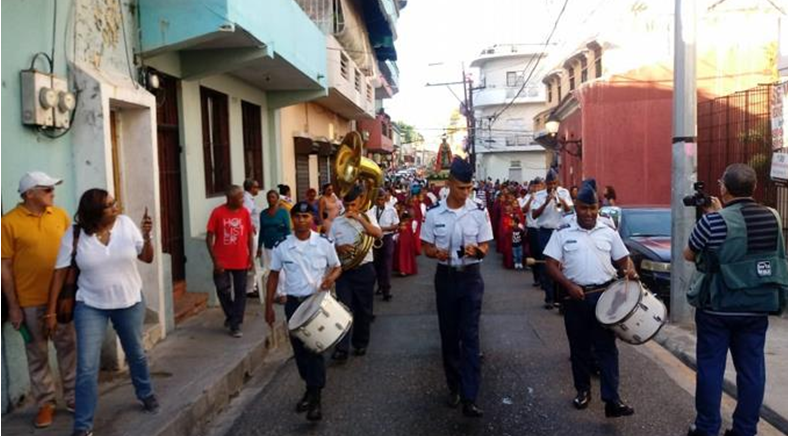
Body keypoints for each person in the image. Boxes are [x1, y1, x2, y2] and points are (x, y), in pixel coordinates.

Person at [684, 164, 787, 436]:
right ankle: (745, 430)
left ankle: (707, 427)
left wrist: (712, 217)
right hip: (757, 305)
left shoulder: (712, 221)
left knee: (710, 368)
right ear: (754, 188)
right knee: (752, 371)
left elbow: (689, 254)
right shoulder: (773, 216)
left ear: (724, 188)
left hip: (717, 307)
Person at [45, 189, 158, 436]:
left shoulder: (126, 224)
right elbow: (59, 273)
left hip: (129, 301)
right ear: (95, 213)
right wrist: (51, 312)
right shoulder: (74, 236)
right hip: (90, 305)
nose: (115, 206)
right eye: (109, 205)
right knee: (86, 367)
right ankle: (83, 426)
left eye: (114, 202)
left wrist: (147, 236)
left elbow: (147, 258)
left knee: (136, 353)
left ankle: (145, 392)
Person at [543, 179, 637, 419]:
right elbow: (550, 265)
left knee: (607, 349)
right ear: (576, 207)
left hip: (605, 298)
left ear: (599, 207)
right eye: (584, 208)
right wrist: (568, 285)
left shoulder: (608, 230)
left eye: (593, 208)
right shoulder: (563, 230)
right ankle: (583, 391)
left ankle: (612, 400)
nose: (589, 213)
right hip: (575, 299)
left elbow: (623, 259)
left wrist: (630, 270)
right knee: (579, 348)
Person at [1, 171, 76, 428]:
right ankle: (45, 403)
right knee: (37, 353)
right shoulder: (8, 222)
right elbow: (5, 266)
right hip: (29, 300)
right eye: (47, 190)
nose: (52, 193)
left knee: (68, 347)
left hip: (63, 299)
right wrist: (13, 306)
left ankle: (75, 397)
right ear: (29, 193)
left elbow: (73, 254)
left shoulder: (61, 215)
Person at [421, 157, 493, 418]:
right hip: (446, 278)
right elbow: (426, 247)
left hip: (471, 278)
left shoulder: (478, 212)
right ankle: (454, 386)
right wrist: (435, 253)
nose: (466, 193)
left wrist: (478, 250)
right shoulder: (434, 214)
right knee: (450, 337)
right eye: (461, 188)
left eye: (469, 188)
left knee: (470, 336)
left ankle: (470, 396)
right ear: (450, 184)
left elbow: (486, 245)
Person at [265, 201, 342, 422]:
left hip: (316, 303)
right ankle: (310, 389)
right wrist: (268, 306)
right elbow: (273, 276)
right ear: (293, 220)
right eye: (297, 216)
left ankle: (316, 399)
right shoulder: (282, 246)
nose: (301, 220)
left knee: (314, 350)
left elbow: (338, 267)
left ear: (313, 219)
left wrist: (329, 279)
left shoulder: (323, 243)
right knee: (299, 352)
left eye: (306, 216)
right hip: (293, 305)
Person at [326, 185, 382, 361]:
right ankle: (342, 348)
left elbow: (378, 234)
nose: (350, 209)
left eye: (354, 205)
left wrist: (360, 220)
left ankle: (360, 343)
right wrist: (338, 247)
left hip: (365, 269)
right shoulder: (337, 222)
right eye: (348, 205)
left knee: (364, 310)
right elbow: (328, 247)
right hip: (345, 271)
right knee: (343, 309)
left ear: (360, 202)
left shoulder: (367, 215)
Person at [206, 185, 254, 338]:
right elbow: (209, 238)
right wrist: (215, 260)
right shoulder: (218, 212)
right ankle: (232, 315)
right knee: (222, 290)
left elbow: (249, 236)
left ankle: (235, 324)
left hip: (241, 259)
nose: (242, 200)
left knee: (241, 292)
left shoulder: (244, 213)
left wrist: (251, 255)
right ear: (230, 199)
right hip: (222, 260)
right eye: (240, 198)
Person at [532, 169, 573, 309]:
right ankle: (549, 297)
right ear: (546, 183)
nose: (552, 186)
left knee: (562, 265)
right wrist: (545, 202)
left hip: (560, 231)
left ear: (558, 182)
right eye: (549, 184)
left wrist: (559, 200)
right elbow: (534, 215)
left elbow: (568, 212)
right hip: (545, 232)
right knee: (547, 265)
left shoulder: (564, 193)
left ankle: (561, 299)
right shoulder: (539, 195)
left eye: (554, 183)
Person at [257, 190, 292, 304]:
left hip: (281, 244)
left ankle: (283, 293)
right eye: (268, 197)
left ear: (277, 199)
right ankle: (275, 293)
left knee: (281, 270)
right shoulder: (263, 214)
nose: (270, 199)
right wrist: (259, 246)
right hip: (268, 246)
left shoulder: (283, 212)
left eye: (272, 197)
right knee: (272, 270)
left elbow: (287, 228)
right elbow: (262, 231)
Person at [372, 189, 400, 301]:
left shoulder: (391, 210)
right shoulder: (372, 210)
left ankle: (386, 291)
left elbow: (396, 225)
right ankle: (380, 286)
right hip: (375, 238)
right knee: (376, 265)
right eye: (378, 199)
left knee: (387, 265)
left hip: (387, 238)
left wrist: (383, 229)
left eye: (382, 199)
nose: (380, 201)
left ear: (385, 199)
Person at [243, 179, 261, 298]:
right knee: (252, 259)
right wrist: (251, 226)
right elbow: (245, 214)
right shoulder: (247, 199)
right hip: (251, 233)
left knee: (253, 259)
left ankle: (251, 286)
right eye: (256, 187)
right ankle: (249, 288)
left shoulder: (249, 199)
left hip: (254, 232)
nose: (258, 189)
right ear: (251, 188)